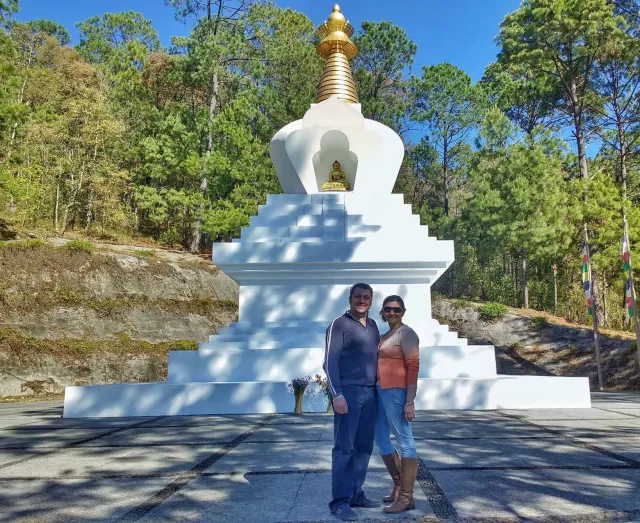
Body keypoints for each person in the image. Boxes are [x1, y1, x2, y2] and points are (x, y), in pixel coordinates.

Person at [323, 283, 381, 522]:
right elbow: (329, 361)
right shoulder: (339, 324)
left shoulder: (374, 325)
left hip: (371, 394)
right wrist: (337, 395)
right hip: (349, 393)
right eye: (358, 296)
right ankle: (340, 502)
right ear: (350, 298)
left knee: (364, 447)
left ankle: (356, 493)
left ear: (371, 300)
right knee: (344, 448)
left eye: (366, 297)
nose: (362, 301)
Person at [375, 295, 420, 513]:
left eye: (397, 309)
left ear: (403, 311)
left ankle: (407, 497)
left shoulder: (407, 333)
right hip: (380, 391)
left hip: (397, 392)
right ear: (383, 312)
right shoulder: (384, 336)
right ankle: (398, 485)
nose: (392, 312)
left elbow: (413, 367)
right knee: (381, 439)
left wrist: (409, 401)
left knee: (405, 441)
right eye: (388, 309)